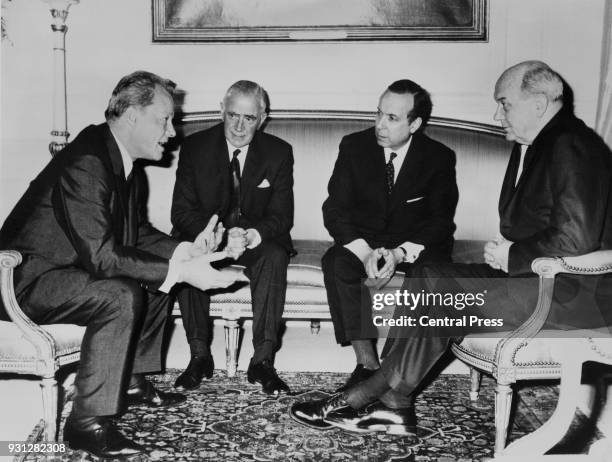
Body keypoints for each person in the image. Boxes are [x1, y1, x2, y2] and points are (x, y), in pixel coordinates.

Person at [291, 61, 612, 435]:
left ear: (538, 103)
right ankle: (394, 404)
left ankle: (365, 396)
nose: (497, 113)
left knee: (441, 290)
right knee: (429, 274)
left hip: (568, 293)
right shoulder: (540, 143)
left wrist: (513, 254)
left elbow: (577, 241)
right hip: (534, 280)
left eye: (504, 103)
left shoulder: (572, 145)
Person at [0, 71, 242, 458]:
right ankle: (85, 424)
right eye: (164, 119)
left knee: (159, 272)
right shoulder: (87, 162)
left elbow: (138, 234)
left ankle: (131, 380)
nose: (173, 132)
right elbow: (103, 256)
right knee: (120, 293)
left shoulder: (121, 160)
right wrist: (178, 269)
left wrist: (186, 251)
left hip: (68, 269)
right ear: (131, 116)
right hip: (26, 281)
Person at [321, 79, 458, 392]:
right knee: (336, 261)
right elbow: (335, 210)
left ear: (416, 123)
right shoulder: (353, 146)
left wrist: (398, 255)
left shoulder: (439, 158)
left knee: (430, 273)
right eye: (378, 114)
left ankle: (395, 370)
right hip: (365, 242)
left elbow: (440, 222)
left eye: (392, 118)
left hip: (415, 245)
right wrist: (364, 251)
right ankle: (367, 365)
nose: (380, 125)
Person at [171, 80, 294, 394]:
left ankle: (262, 361)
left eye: (249, 118)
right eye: (232, 116)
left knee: (275, 255)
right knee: (189, 250)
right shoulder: (195, 147)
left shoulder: (279, 152)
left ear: (262, 118)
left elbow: (282, 216)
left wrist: (253, 234)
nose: (239, 126)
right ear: (221, 112)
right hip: (210, 233)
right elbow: (181, 212)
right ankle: (199, 356)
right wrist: (219, 237)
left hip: (256, 239)